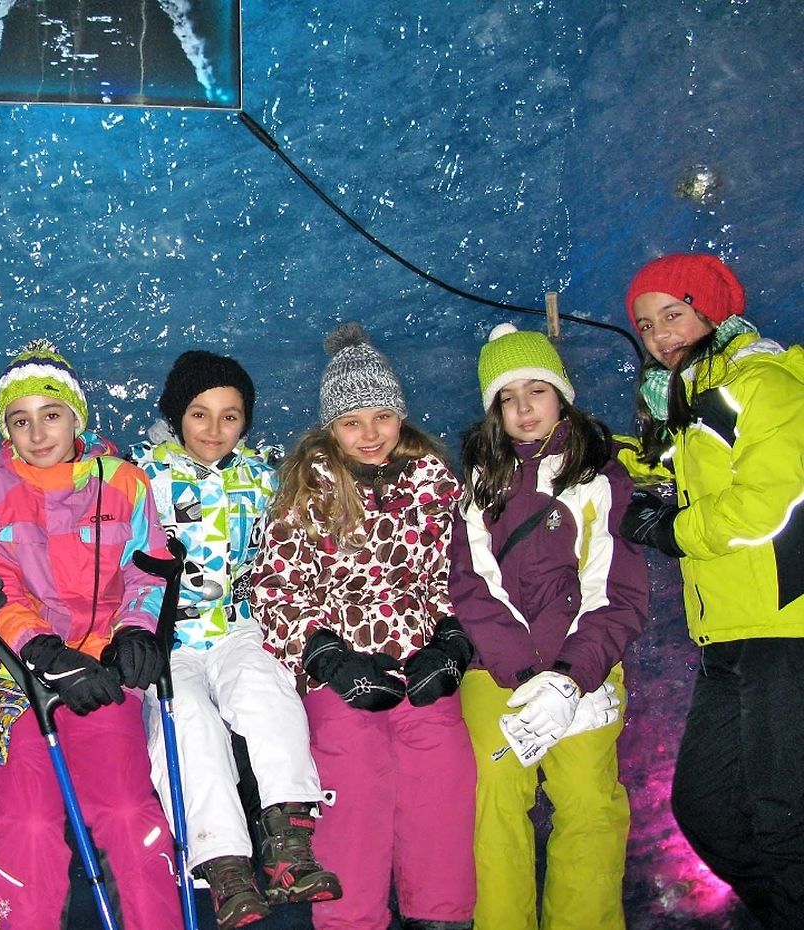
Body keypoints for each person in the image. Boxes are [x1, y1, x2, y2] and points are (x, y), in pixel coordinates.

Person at [251, 322, 477, 930]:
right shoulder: (306, 493)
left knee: (443, 791)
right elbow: (274, 586)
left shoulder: (433, 484)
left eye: (382, 417)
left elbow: (457, 571)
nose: (370, 435)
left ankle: (442, 918)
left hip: (420, 666)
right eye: (352, 422)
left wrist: (452, 640)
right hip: (345, 678)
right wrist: (326, 655)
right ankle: (351, 921)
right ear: (331, 427)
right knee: (353, 797)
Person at [0, 338, 183, 930]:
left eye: (51, 414)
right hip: (18, 678)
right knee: (27, 821)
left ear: (76, 417)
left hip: (101, 669)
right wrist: (43, 652)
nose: (37, 433)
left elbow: (149, 568)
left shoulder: (124, 482)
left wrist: (136, 633)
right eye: (20, 420)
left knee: (127, 811)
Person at [618, 254, 804, 928]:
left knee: (783, 816)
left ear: (712, 311)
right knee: (708, 811)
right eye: (646, 325)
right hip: (726, 635)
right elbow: (668, 471)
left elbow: (767, 501)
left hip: (783, 629)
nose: (660, 334)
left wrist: (674, 530)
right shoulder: (685, 404)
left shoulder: (762, 383)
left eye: (673, 314)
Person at [127, 350, 341, 930]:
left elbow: (292, 547)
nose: (215, 430)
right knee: (187, 721)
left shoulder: (262, 476)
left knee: (266, 690)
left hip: (237, 624)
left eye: (230, 416)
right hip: (170, 636)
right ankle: (223, 865)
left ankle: (289, 842)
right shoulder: (142, 476)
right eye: (200, 414)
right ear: (177, 415)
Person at [448, 323, 648, 930]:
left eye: (536, 390)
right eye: (507, 397)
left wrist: (569, 678)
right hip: (497, 673)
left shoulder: (600, 479)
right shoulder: (479, 485)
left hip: (584, 672)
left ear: (561, 394)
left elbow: (615, 589)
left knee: (589, 804)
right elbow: (473, 586)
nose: (523, 407)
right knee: (494, 800)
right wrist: (526, 675)